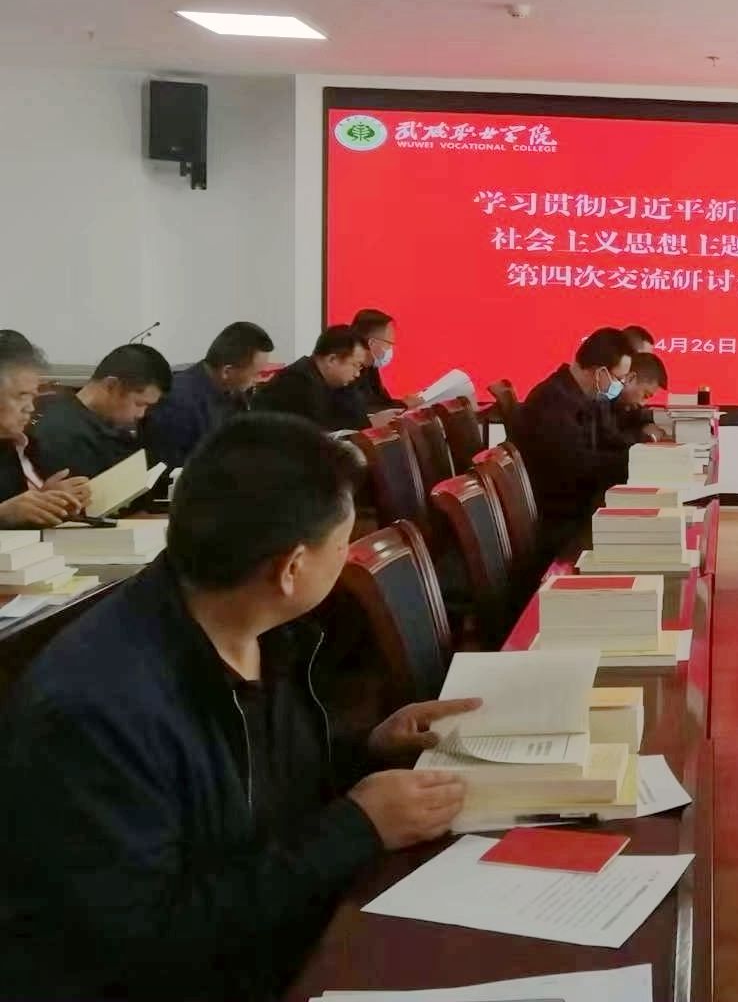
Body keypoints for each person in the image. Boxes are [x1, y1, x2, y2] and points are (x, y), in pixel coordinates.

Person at [0, 413, 480, 1000]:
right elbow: (145, 941)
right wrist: (355, 828)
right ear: (292, 569)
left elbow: (254, 783)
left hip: (277, 935)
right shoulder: (94, 712)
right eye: (342, 543)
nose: (347, 555)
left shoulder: (256, 626)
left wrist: (366, 750)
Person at [512, 326, 634, 553]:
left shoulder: (579, 396)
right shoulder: (553, 403)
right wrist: (633, 461)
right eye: (619, 378)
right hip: (560, 524)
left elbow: (605, 445)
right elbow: (579, 466)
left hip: (576, 509)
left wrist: (639, 456)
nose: (621, 385)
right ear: (600, 372)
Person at [142, 320, 275, 470]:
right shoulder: (177, 403)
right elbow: (172, 471)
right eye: (256, 374)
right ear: (227, 372)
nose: (259, 380)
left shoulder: (233, 392)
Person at [30, 342, 173, 479]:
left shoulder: (109, 422)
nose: (141, 414)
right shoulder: (61, 434)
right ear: (111, 385)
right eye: (139, 404)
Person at [0, 332, 89, 527]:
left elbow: (19, 510)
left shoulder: (20, 445)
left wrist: (46, 501)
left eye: (33, 397)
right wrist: (3, 514)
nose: (30, 408)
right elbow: (9, 511)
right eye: (21, 396)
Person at [252, 326, 369, 431]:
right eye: (355, 365)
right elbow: (318, 433)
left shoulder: (332, 383)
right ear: (332, 360)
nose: (357, 374)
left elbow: (359, 423)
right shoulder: (297, 382)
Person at [347, 308, 409, 414]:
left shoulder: (370, 367)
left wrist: (403, 403)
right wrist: (404, 405)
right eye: (389, 343)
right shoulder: (347, 370)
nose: (390, 349)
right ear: (371, 343)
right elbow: (362, 410)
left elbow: (382, 402)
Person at [606, 350, 670, 446]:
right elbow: (611, 442)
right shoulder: (599, 402)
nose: (643, 403)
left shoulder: (624, 407)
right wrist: (650, 437)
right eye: (645, 395)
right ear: (630, 378)